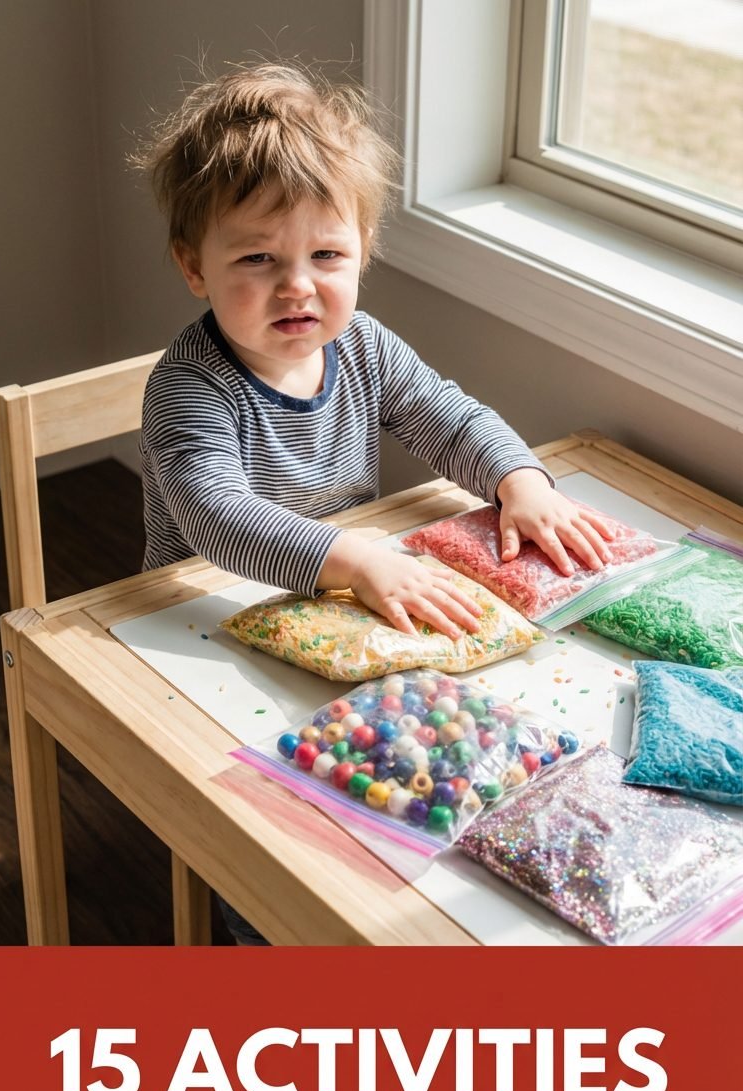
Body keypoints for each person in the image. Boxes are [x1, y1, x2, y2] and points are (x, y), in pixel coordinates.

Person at [135, 62, 612, 943]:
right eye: (256, 258)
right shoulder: (188, 390)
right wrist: (352, 557)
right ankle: (259, 917)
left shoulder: (365, 347)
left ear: (362, 248)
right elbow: (212, 515)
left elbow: (447, 414)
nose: (298, 286)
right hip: (203, 627)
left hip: (340, 612)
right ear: (192, 267)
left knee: (394, 764)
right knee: (271, 811)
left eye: (327, 255)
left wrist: (519, 480)